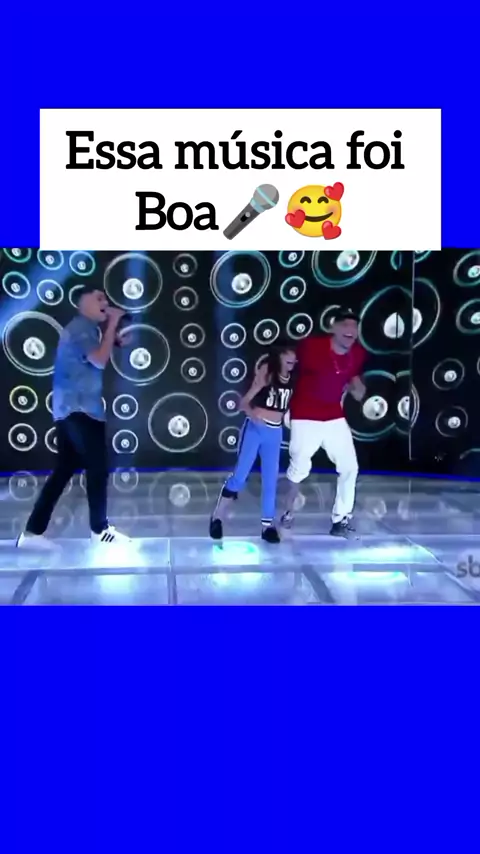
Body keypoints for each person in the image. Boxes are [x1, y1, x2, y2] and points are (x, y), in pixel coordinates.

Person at [17, 288, 131, 548]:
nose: (105, 302)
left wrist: (113, 337)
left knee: (64, 469)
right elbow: (99, 361)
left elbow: (92, 356)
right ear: (83, 302)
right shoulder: (81, 327)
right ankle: (100, 530)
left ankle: (32, 533)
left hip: (70, 409)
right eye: (99, 298)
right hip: (80, 409)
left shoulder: (85, 330)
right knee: (97, 467)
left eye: (105, 299)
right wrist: (113, 323)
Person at [281, 308, 366, 539]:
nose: (350, 330)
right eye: (345, 325)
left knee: (349, 467)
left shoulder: (357, 353)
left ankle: (340, 520)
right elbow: (288, 366)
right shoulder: (311, 346)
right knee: (299, 468)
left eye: (354, 326)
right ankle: (287, 511)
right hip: (304, 415)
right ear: (333, 328)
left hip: (333, 415)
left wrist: (357, 387)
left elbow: (353, 378)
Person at [210, 344, 297, 543]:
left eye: (294, 360)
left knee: (270, 479)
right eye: (288, 359)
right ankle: (217, 517)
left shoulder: (293, 377)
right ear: (279, 357)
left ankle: (267, 526)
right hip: (256, 429)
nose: (291, 363)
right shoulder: (268, 371)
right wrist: (252, 415)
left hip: (275, 432)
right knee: (240, 475)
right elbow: (244, 402)